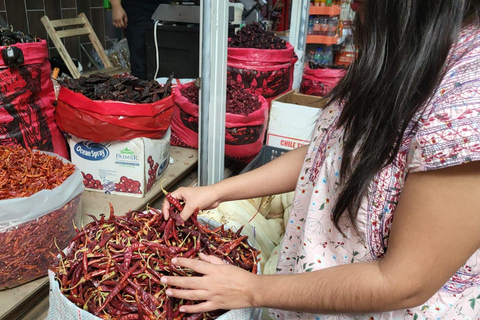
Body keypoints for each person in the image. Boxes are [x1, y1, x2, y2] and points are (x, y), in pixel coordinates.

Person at [161, 1, 480, 319]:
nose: (353, 4)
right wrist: (216, 192)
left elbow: (404, 281)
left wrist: (251, 289)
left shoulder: (466, 101)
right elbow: (329, 156)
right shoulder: (405, 55)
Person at [110, 0, 170, 80]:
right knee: (140, 57)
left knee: (166, 57)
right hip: (137, 7)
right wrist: (116, 5)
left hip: (165, 6)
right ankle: (140, 88)